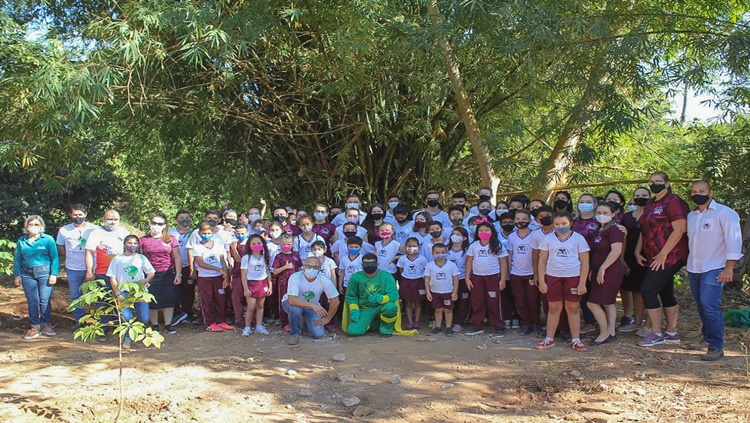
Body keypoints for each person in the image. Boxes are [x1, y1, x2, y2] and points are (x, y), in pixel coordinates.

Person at [685, 181, 743, 361]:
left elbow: (734, 240)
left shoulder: (725, 213)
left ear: (710, 193)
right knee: (702, 305)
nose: (698, 193)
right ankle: (707, 338)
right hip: (695, 267)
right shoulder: (691, 216)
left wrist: (729, 267)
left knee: (710, 306)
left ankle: (716, 346)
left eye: (702, 191)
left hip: (715, 266)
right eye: (694, 191)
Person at [635, 172, 689, 347]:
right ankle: (672, 333)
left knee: (648, 290)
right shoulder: (651, 203)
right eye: (651, 182)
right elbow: (644, 229)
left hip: (671, 255)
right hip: (653, 255)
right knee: (665, 292)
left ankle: (656, 333)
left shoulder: (674, 201)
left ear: (667, 183)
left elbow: (680, 229)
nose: (654, 184)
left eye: (658, 181)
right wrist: (638, 251)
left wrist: (664, 253)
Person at [536, 212, 590, 352]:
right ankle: (549, 338)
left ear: (570, 223)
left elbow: (585, 262)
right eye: (557, 224)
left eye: (564, 223)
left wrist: (582, 282)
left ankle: (576, 340)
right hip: (553, 277)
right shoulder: (548, 239)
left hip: (573, 276)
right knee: (553, 308)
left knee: (573, 308)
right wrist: (542, 281)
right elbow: (541, 261)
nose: (561, 227)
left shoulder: (578, 239)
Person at [14, 215, 60, 339]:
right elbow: (18, 258)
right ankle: (35, 326)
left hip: (44, 272)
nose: (33, 227)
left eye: (36, 225)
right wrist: (17, 274)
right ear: (26, 226)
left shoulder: (48, 239)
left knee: (44, 300)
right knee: (32, 300)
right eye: (31, 224)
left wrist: (53, 274)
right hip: (27, 273)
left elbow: (54, 257)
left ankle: (46, 324)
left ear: (41, 227)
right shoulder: (22, 241)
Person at [105, 235, 155, 348]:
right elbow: (112, 277)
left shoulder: (141, 258)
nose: (132, 246)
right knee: (126, 316)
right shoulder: (117, 259)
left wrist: (146, 279)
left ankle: (137, 332)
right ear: (124, 244)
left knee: (145, 317)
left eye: (135, 243)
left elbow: (151, 272)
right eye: (129, 243)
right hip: (123, 292)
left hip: (140, 291)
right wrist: (117, 294)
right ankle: (127, 337)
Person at [587, 203, 625, 346]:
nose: (601, 215)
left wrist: (603, 268)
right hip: (598, 270)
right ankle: (611, 332)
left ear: (613, 214)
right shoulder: (600, 230)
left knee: (592, 303)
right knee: (609, 303)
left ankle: (604, 333)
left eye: (605, 212)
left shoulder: (615, 230)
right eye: (599, 212)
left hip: (610, 271)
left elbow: (616, 251)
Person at [465, 219, 509, 336]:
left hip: (493, 277)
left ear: (492, 231)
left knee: (494, 302)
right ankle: (477, 326)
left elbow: (503, 263)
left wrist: (503, 279)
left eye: (486, 230)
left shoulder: (497, 245)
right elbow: (469, 262)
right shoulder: (474, 245)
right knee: (477, 301)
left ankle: (499, 327)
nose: (484, 232)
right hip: (477, 277)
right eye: (481, 230)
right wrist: (467, 278)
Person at [282, 257, 341, 345]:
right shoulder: (295, 277)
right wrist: (313, 306)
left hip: (312, 306)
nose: (311, 269)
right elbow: (292, 300)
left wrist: (327, 318)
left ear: (320, 268)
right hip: (294, 304)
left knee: (318, 334)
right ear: (303, 266)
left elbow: (335, 301)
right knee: (296, 310)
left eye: (315, 267)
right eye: (308, 266)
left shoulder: (324, 280)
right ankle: (295, 333)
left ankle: (305, 323)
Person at [140, 213, 182, 334]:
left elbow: (177, 257)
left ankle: (168, 324)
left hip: (168, 273)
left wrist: (178, 275)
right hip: (150, 275)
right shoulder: (143, 240)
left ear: (164, 225)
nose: (156, 226)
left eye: (159, 224)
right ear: (149, 223)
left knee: (168, 299)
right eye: (154, 223)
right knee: (152, 300)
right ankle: (155, 325)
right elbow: (140, 258)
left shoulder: (171, 239)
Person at [56, 204, 96, 328]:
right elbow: (60, 245)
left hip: (93, 268)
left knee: (96, 294)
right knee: (75, 296)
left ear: (85, 214)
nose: (78, 217)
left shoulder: (94, 229)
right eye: (75, 215)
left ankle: (100, 322)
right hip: (73, 268)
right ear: (70, 215)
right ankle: (80, 321)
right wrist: (68, 255)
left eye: (80, 214)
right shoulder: (64, 230)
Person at [618, 188, 651, 334]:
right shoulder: (626, 217)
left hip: (648, 257)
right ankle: (634, 320)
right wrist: (621, 259)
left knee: (646, 291)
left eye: (644, 195)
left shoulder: (653, 215)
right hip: (629, 257)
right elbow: (622, 239)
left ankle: (646, 323)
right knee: (631, 289)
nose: (640, 198)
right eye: (637, 195)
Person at [344, 253, 400, 337]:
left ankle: (386, 328)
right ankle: (374, 324)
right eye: (366, 264)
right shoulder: (355, 277)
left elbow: (394, 295)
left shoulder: (386, 276)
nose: (369, 266)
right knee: (353, 331)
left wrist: (381, 298)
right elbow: (351, 296)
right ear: (362, 265)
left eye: (371, 264)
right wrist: (354, 310)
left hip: (381, 306)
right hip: (365, 309)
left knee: (391, 307)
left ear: (377, 264)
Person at [192, 223, 233, 332]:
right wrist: (217, 269)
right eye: (204, 233)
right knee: (207, 300)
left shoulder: (218, 245)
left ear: (212, 233)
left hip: (218, 277)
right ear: (199, 233)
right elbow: (200, 263)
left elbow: (222, 261)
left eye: (209, 233)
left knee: (220, 299)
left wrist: (225, 276)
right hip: (204, 277)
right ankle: (209, 323)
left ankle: (221, 321)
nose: (206, 235)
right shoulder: (197, 247)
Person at [507, 209, 540, 335]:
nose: (521, 221)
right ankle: (526, 323)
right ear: (515, 221)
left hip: (531, 272)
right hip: (516, 273)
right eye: (518, 219)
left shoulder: (535, 235)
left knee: (533, 300)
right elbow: (510, 254)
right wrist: (509, 272)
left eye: (524, 219)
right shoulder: (511, 236)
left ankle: (536, 323)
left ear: (530, 221)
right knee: (520, 300)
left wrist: (537, 273)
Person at [240, 234, 273, 336]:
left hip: (262, 283)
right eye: (253, 243)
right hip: (251, 283)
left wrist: (270, 286)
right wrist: (245, 288)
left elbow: (267, 272)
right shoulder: (247, 258)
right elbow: (244, 274)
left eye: (259, 243)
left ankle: (259, 325)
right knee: (251, 307)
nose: (256, 245)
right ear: (249, 245)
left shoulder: (265, 257)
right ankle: (247, 327)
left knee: (260, 305)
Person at [424, 243, 460, 337]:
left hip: (448, 292)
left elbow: (456, 278)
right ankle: (438, 327)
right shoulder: (429, 265)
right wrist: (428, 292)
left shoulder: (451, 265)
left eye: (443, 252)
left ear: (447, 252)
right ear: (432, 253)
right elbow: (427, 279)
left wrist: (455, 292)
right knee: (437, 310)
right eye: (437, 252)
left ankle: (448, 327)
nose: (440, 254)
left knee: (448, 310)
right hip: (435, 292)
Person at [272, 234, 303, 332]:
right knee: (283, 302)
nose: (286, 246)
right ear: (280, 244)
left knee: (296, 302)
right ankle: (285, 323)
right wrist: (285, 267)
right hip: (283, 283)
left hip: (296, 283)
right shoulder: (279, 256)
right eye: (283, 244)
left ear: (293, 244)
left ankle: (296, 322)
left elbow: (301, 267)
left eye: (288, 244)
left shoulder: (296, 255)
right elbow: (275, 271)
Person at [397, 237, 428, 329]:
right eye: (409, 246)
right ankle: (410, 321)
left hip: (419, 281)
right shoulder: (402, 259)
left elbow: (425, 270)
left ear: (418, 247)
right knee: (407, 302)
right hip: (406, 281)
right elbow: (401, 270)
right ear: (405, 247)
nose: (412, 248)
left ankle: (417, 321)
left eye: (414, 246)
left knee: (418, 302)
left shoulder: (422, 259)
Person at [169, 210, 194, 326]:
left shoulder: (194, 233)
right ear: (176, 219)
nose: (184, 219)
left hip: (188, 266)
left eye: (187, 217)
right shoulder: (170, 232)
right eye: (181, 217)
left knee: (188, 291)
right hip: (172, 266)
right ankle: (176, 313)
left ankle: (187, 314)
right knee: (174, 291)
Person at [447, 227, 471, 332]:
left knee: (463, 301)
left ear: (464, 238)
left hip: (463, 279)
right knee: (451, 300)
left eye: (458, 234)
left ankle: (459, 322)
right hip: (449, 280)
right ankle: (450, 320)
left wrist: (468, 278)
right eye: (453, 233)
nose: (455, 236)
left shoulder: (467, 251)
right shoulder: (446, 250)